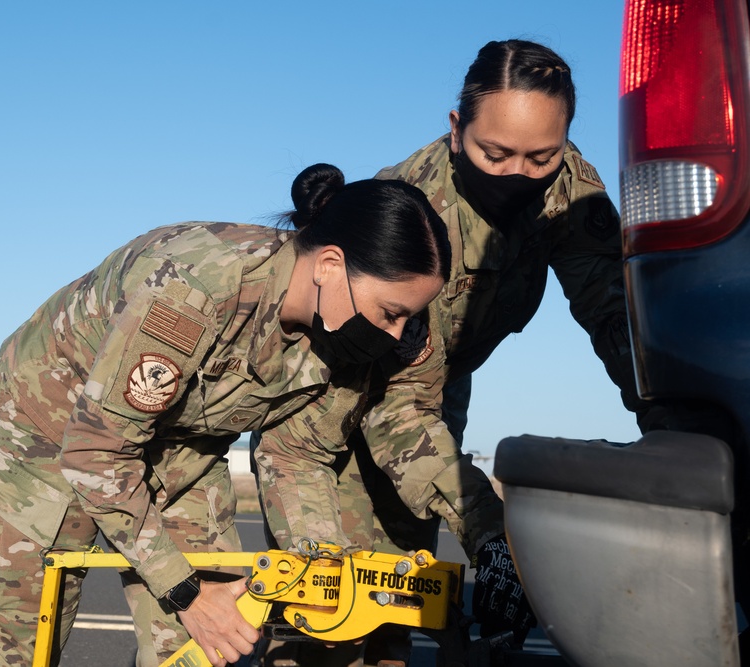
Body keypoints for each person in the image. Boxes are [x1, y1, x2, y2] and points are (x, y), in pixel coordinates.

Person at [256, 39, 691, 666]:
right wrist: (489, 532)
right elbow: (394, 407)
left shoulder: (568, 186)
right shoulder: (415, 212)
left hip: (435, 385)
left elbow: (613, 315)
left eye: (541, 155)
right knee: (327, 612)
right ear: (457, 131)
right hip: (341, 386)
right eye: (497, 153)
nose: (519, 173)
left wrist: (675, 434)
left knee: (400, 596)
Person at [0, 162, 451, 667]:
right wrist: (185, 592)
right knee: (17, 650)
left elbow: (297, 454)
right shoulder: (197, 286)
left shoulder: (342, 334)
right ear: (328, 266)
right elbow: (97, 451)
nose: (396, 336)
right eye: (391, 312)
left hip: (179, 444)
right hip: (47, 431)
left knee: (213, 650)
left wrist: (320, 567)